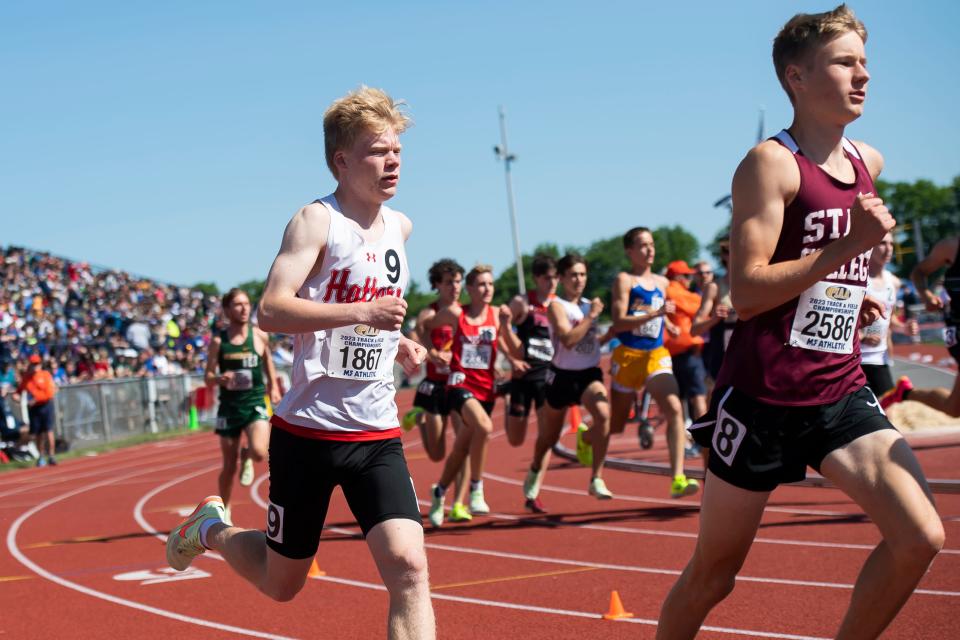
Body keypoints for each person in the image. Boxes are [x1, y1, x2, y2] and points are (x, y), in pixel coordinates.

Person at [657, 8, 944, 638]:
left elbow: (827, 267)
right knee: (715, 574)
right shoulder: (770, 164)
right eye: (845, 63)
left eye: (865, 63)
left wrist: (852, 291)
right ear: (796, 76)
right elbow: (747, 292)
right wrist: (846, 253)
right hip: (760, 399)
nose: (863, 76)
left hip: (838, 389)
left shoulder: (869, 159)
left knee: (920, 537)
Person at [166, 86, 436, 640]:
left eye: (398, 152)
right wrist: (364, 310)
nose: (392, 163)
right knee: (281, 582)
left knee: (409, 568)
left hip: (376, 432)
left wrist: (398, 338)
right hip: (308, 433)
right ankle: (212, 529)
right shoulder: (316, 222)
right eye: (377, 152)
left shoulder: (400, 228)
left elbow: (372, 312)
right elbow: (271, 309)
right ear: (341, 160)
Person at [427, 264, 523, 527]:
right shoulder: (456, 314)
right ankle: (476, 489)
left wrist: (507, 326)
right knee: (484, 426)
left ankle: (439, 492)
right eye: (481, 284)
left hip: (485, 389)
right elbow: (425, 328)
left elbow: (516, 348)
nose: (487, 289)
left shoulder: (496, 314)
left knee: (461, 448)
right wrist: (432, 352)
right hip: (459, 385)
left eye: (490, 284)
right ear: (469, 289)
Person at [608, 227, 699, 498]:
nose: (649, 250)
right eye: (643, 245)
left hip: (656, 354)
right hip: (628, 357)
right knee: (617, 425)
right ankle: (587, 438)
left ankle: (678, 478)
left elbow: (658, 313)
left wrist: (667, 324)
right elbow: (619, 322)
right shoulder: (624, 281)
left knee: (674, 409)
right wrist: (656, 315)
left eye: (652, 245)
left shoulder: (661, 282)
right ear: (630, 251)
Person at [523, 253, 610, 512]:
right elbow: (569, 340)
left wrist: (613, 333)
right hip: (561, 376)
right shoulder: (557, 306)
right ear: (561, 278)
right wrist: (591, 316)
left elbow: (589, 343)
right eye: (573, 275)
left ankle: (596, 478)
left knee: (603, 413)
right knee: (548, 438)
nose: (579, 280)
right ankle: (535, 470)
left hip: (588, 374)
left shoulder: (588, 305)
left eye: (583, 274)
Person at [204, 287, 282, 524]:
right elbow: (207, 377)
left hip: (255, 401)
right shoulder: (219, 341)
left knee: (260, 451)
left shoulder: (259, 335)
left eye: (247, 303)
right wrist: (219, 379)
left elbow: (268, 361)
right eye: (238, 304)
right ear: (227, 310)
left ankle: (248, 455)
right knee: (228, 466)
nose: (244, 308)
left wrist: (274, 386)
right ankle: (225, 509)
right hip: (229, 407)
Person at [880, 235, 960, 416]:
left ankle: (905, 392)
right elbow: (918, 272)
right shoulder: (951, 246)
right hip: (957, 330)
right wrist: (926, 296)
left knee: (954, 408)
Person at [406, 258, 465, 462]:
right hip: (434, 386)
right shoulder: (429, 313)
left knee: (462, 444)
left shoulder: (464, 313)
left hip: (457, 384)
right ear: (437, 284)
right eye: (449, 282)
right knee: (436, 454)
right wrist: (433, 354)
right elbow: (414, 337)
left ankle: (465, 494)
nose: (455, 286)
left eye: (458, 281)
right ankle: (420, 420)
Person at [505, 254, 558, 452]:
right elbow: (500, 329)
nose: (552, 282)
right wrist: (511, 359)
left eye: (556, 277)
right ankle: (510, 399)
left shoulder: (559, 304)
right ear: (536, 278)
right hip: (524, 375)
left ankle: (535, 475)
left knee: (548, 434)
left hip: (548, 375)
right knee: (515, 440)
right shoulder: (522, 303)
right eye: (547, 278)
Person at [663, 260, 708, 429]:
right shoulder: (676, 292)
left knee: (680, 398)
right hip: (688, 351)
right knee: (699, 396)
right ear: (678, 277)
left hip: (673, 353)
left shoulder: (666, 290)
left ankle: (684, 438)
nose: (690, 279)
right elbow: (699, 306)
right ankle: (703, 440)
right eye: (688, 275)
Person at [859, 233, 902, 396]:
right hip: (856, 359)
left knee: (889, 407)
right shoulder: (859, 279)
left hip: (880, 359)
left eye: (891, 244)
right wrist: (862, 337)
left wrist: (905, 328)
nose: (889, 249)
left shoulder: (894, 282)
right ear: (871, 246)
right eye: (883, 243)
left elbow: (890, 319)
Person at [692, 239, 736, 386]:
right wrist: (714, 318)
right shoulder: (715, 287)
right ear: (724, 256)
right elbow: (695, 329)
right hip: (723, 356)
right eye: (733, 252)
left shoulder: (755, 284)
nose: (740, 255)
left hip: (750, 353)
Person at [13, 354, 58, 466]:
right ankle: (41, 456)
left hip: (45, 406)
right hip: (33, 408)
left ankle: (51, 455)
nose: (35, 366)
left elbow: (50, 393)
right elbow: (19, 390)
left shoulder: (45, 375)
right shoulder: (27, 377)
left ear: (40, 364)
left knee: (48, 430)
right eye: (33, 364)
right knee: (37, 433)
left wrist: (36, 399)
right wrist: (16, 396)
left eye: (37, 364)